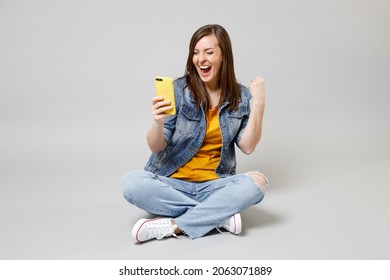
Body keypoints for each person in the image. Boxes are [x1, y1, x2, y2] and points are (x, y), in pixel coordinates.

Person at [121, 24, 268, 243]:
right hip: (172, 183)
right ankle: (218, 217)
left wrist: (259, 104)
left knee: (257, 182)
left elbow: (247, 147)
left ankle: (175, 226)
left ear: (224, 56)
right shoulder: (178, 91)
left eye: (209, 52)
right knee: (131, 183)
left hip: (214, 185)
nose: (201, 59)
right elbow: (156, 146)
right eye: (196, 53)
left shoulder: (241, 96)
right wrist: (157, 123)